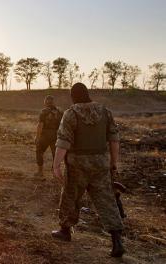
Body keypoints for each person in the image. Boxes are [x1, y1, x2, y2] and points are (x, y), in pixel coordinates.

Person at [51, 83, 125, 258]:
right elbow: (114, 139)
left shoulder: (71, 113)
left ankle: (65, 230)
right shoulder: (105, 112)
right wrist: (113, 163)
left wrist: (56, 165)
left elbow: (63, 141)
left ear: (73, 96)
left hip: (77, 165)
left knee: (70, 196)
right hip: (100, 164)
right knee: (107, 200)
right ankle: (117, 241)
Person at [34, 95, 62, 177]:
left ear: (45, 102)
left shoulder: (44, 112)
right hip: (56, 135)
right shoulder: (60, 112)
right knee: (55, 155)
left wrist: (37, 137)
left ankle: (40, 172)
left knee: (39, 151)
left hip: (45, 135)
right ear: (53, 102)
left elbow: (40, 125)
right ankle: (55, 173)